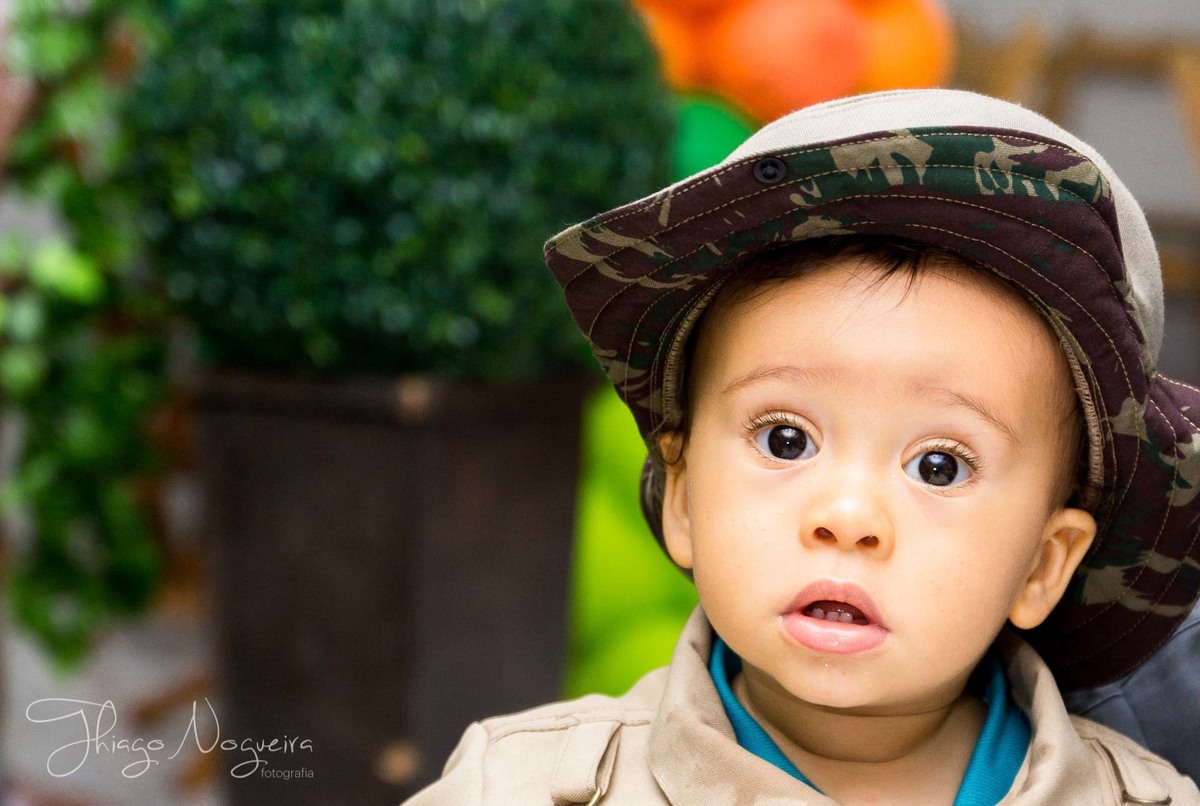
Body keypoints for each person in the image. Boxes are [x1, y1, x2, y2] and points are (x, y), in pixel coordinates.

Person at [403, 89, 1200, 804]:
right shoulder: (515, 786)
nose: (847, 515)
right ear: (681, 497)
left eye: (939, 465)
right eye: (786, 440)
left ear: (1042, 563)